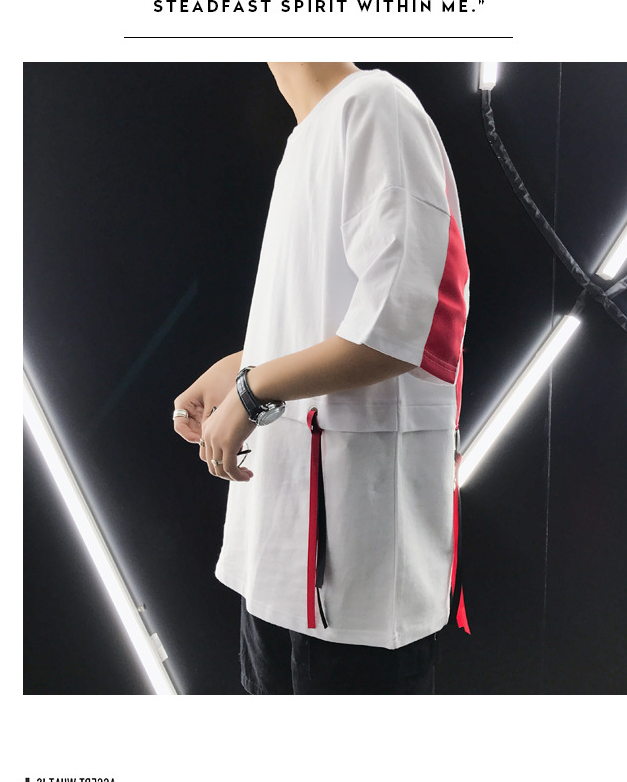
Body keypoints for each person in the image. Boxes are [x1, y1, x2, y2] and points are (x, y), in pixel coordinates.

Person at [170, 58, 470, 693]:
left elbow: (407, 328)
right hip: (274, 563)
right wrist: (240, 369)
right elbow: (334, 316)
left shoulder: (375, 105)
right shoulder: (305, 137)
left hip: (354, 587)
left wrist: (254, 391)